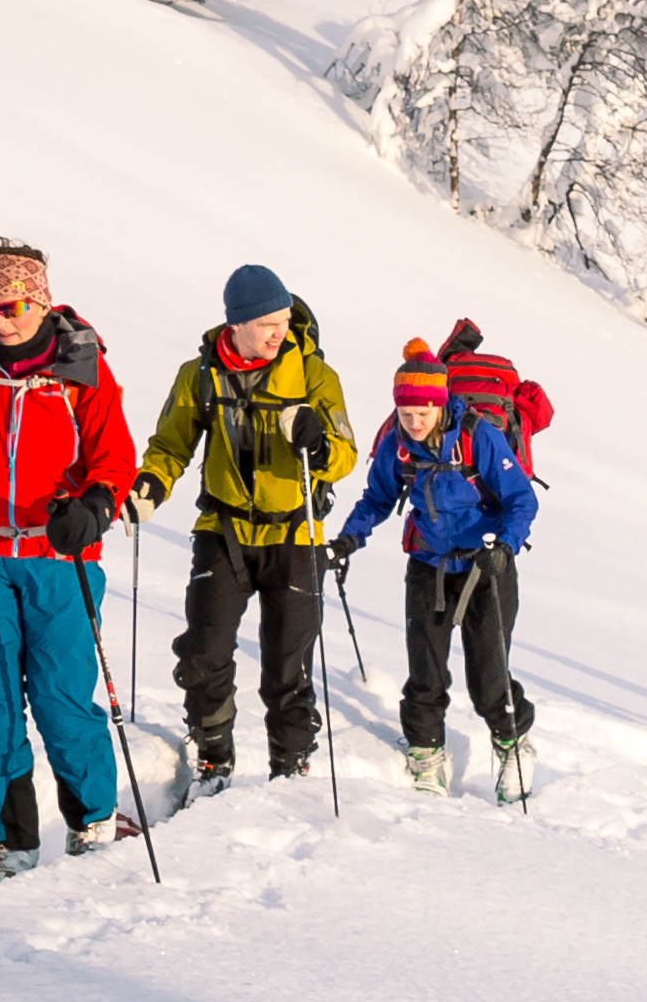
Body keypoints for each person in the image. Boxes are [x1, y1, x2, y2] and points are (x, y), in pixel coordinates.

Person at [0, 236, 141, 862]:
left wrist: (98, 504)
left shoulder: (81, 368)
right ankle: (7, 840)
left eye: (14, 307)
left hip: (58, 558)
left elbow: (114, 453)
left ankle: (96, 821)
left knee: (62, 697)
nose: (1, 320)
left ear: (41, 301)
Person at [137, 263, 355, 790]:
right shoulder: (202, 375)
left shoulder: (315, 377)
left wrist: (319, 444)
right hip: (224, 531)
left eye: (283, 321)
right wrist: (149, 487)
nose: (279, 332)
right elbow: (171, 445)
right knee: (204, 652)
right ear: (236, 323)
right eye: (267, 324)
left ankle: (292, 763)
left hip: (295, 536)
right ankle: (213, 756)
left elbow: (346, 454)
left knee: (289, 664)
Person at [348, 338, 539, 795]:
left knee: (488, 675)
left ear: (440, 405)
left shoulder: (480, 437)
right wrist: (349, 537)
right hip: (428, 564)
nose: (413, 423)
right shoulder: (398, 443)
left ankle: (513, 746)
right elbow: (377, 497)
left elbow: (520, 498)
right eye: (405, 414)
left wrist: (506, 546)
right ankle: (425, 752)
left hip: (486, 566)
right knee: (426, 671)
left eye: (422, 414)